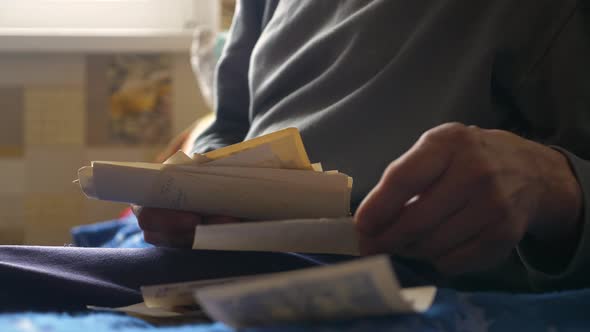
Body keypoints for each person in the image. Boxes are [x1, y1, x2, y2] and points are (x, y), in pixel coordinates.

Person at [1, 0, 589, 310]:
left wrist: (554, 184)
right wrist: (193, 185)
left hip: (401, 270)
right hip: (231, 255)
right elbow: (229, 124)